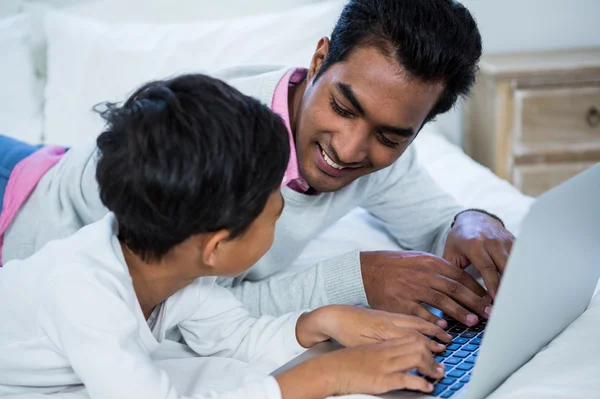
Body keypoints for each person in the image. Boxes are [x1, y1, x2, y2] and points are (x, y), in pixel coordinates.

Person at [0, 0, 514, 328]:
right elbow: (191, 312)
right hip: (22, 206)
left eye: (390, 135)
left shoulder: (383, 154)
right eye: (342, 106)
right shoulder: (218, 144)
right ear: (317, 62)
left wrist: (471, 221)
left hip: (46, 160)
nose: (352, 149)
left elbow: (432, 222)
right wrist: (357, 277)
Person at [0, 74, 453, 399]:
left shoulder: (177, 271)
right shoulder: (86, 296)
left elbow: (234, 336)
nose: (283, 219)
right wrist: (328, 376)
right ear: (216, 247)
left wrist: (325, 320)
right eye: (274, 216)